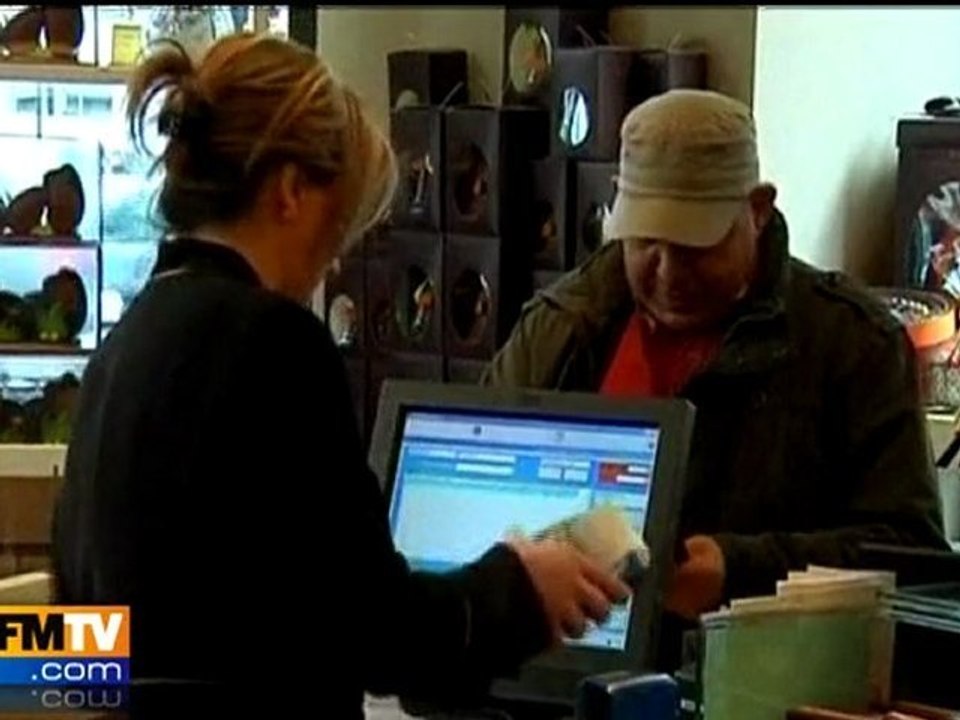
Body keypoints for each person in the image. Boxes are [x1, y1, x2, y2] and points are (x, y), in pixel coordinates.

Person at [51, 34, 628, 716]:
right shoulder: (271, 341)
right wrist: (521, 589)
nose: (334, 259)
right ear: (291, 190)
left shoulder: (124, 347)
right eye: (341, 216)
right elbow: (380, 630)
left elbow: (70, 649)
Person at [485, 89, 947, 660]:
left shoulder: (852, 346)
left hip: (760, 681)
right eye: (647, 240)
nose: (667, 271)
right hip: (561, 673)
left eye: (694, 244)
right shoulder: (561, 330)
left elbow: (914, 556)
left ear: (756, 208)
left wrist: (740, 568)